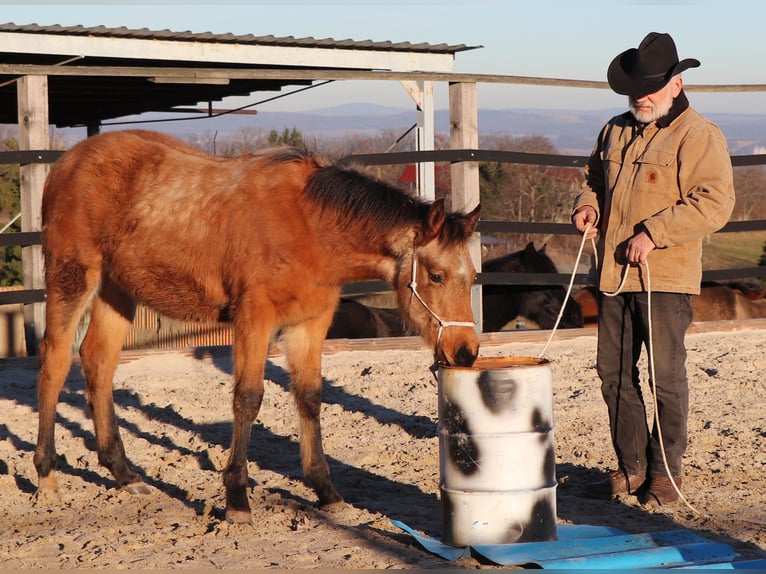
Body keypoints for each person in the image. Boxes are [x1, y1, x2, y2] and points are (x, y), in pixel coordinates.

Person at [571, 32, 735, 505]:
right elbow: (593, 180)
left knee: (665, 376)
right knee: (613, 374)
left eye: (648, 87)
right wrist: (588, 207)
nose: (638, 96)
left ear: (676, 85)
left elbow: (716, 203)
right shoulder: (614, 129)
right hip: (611, 276)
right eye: (633, 88)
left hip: (664, 277)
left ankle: (665, 472)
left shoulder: (699, 135)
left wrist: (654, 232)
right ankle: (631, 466)